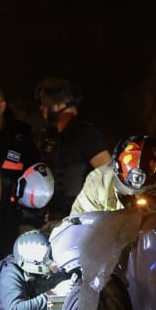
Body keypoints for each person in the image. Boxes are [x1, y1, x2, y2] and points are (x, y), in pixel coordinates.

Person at [0, 83, 39, 263]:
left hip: (9, 221)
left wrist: (29, 221)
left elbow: (37, 181)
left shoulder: (21, 135)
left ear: (2, 106)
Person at [35, 77, 109, 221]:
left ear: (58, 105)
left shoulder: (86, 134)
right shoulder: (48, 137)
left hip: (80, 221)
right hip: (49, 219)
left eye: (44, 103)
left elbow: (108, 174)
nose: (41, 108)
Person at [70, 134, 156, 215]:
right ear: (116, 167)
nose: (131, 194)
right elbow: (77, 227)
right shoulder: (99, 183)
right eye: (126, 189)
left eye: (140, 191)